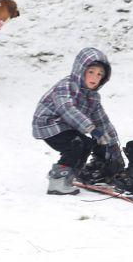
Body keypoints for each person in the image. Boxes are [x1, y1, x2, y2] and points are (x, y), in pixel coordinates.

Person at [31, 47, 121, 196]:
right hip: (48, 124)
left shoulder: (93, 97)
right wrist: (91, 128)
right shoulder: (65, 86)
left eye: (99, 74)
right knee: (76, 143)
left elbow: (102, 122)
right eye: (91, 72)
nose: (95, 77)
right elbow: (67, 109)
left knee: (87, 143)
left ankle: (72, 173)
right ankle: (57, 181)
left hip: (67, 126)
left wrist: (113, 147)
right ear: (81, 70)